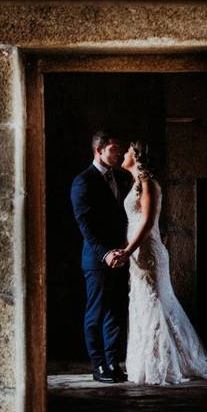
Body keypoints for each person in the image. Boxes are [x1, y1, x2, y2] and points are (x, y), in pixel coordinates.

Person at [116, 140, 207, 385]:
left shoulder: (149, 184)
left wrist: (127, 250)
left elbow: (147, 223)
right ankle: (148, 360)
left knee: (157, 302)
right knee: (143, 302)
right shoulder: (136, 184)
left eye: (127, 151)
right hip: (138, 254)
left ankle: (168, 363)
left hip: (148, 252)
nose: (123, 154)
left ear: (136, 156)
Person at [70, 130, 133, 384]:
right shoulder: (83, 181)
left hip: (120, 255)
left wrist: (124, 250)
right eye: (113, 149)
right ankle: (98, 366)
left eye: (119, 149)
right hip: (97, 260)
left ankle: (112, 363)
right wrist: (105, 253)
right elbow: (85, 225)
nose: (118, 153)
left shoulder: (120, 177)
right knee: (96, 312)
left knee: (116, 313)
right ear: (99, 150)